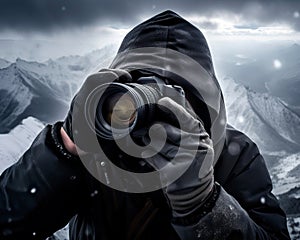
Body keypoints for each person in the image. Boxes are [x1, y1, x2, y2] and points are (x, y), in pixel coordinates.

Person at [0, 10, 290, 240]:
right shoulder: (98, 144)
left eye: (176, 98)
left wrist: (203, 204)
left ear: (203, 107)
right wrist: (64, 150)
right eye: (129, 101)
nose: (150, 119)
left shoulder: (233, 155)